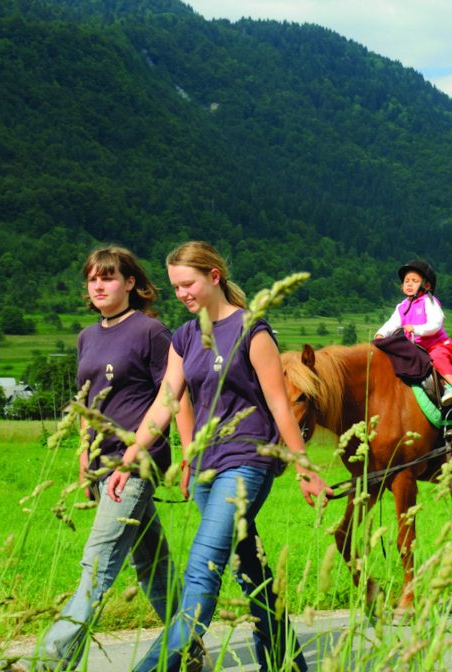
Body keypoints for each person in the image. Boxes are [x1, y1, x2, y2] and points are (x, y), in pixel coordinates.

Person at [107, 241, 330, 672]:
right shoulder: (185, 337)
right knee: (251, 571)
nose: (181, 294)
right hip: (207, 469)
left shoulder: (253, 330)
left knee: (201, 573)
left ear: (214, 277)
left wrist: (306, 469)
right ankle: (287, 664)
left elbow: (281, 405)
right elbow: (165, 401)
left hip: (247, 462)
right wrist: (129, 455)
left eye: (187, 283)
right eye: (174, 287)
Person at [36, 246, 195, 670]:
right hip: (102, 461)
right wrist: (84, 453)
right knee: (152, 565)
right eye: (93, 279)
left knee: (98, 558)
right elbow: (88, 400)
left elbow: (175, 394)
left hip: (139, 461)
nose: (100, 285)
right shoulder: (87, 336)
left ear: (130, 283)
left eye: (108, 277)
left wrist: (190, 454)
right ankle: (189, 647)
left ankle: (54, 657)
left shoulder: (150, 332)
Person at [374, 258, 452, 405]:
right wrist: (381, 334)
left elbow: (436, 323)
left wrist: (416, 329)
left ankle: (451, 387)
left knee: (437, 358)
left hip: (437, 344)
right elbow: (392, 323)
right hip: (416, 349)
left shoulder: (429, 301)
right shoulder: (402, 306)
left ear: (426, 285)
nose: (409, 283)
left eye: (414, 280)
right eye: (406, 280)